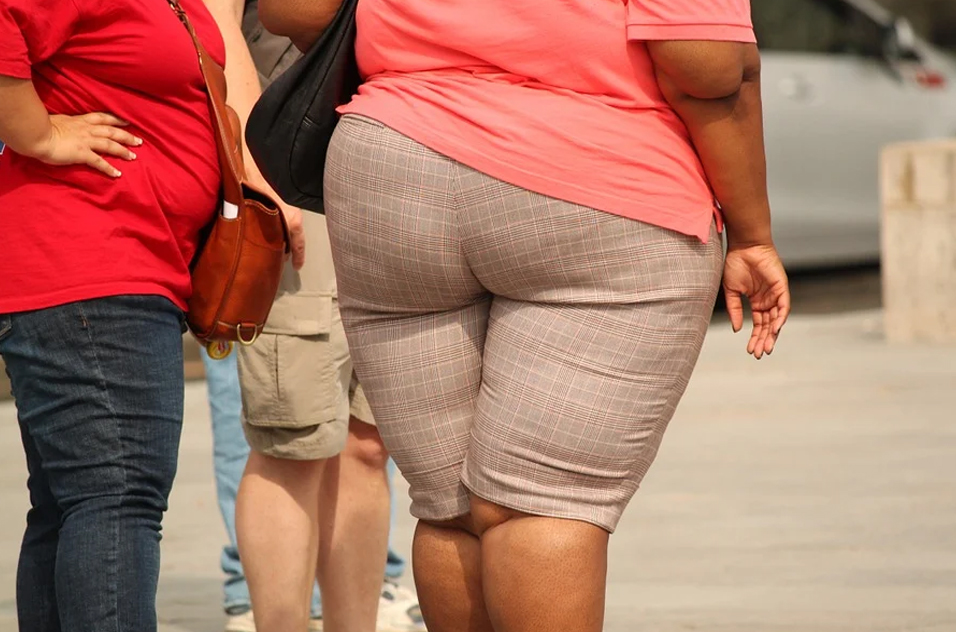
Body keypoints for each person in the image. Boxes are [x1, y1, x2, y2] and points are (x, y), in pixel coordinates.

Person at [261, 0, 792, 631]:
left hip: (394, 170)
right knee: (544, 504)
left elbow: (293, 10)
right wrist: (753, 234)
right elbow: (704, 65)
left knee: (451, 509)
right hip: (596, 180)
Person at [0, 1, 301, 630]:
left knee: (74, 505)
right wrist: (39, 135)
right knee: (117, 498)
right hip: (93, 269)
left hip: (117, 268)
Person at [199, 1, 426, 631]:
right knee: (293, 440)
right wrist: (257, 168)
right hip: (292, 162)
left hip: (394, 165)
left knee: (367, 443)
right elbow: (216, 21)